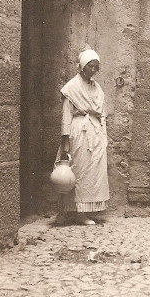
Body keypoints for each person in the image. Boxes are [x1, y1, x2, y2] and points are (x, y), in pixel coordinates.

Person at [54, 49, 110, 225]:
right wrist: (65, 142)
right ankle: (68, 211)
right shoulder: (72, 87)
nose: (94, 70)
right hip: (78, 132)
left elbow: (102, 114)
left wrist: (103, 134)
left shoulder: (97, 87)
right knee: (75, 171)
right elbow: (66, 115)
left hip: (94, 132)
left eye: (96, 67)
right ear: (82, 67)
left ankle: (83, 212)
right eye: (90, 66)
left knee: (91, 174)